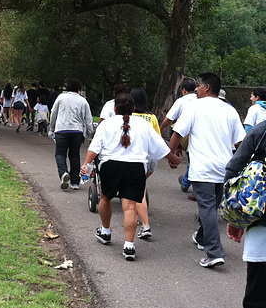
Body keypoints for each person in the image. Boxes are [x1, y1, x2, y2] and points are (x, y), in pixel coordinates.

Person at [81, 93, 180, 261]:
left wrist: (86, 163)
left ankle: (105, 232)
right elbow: (160, 147)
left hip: (110, 166)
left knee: (105, 198)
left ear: (114, 108)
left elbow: (95, 148)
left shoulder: (106, 125)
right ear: (133, 109)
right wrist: (174, 160)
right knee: (130, 207)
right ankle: (129, 246)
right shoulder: (144, 125)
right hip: (135, 168)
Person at [169, 72, 245, 268]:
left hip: (203, 168)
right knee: (211, 209)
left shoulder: (195, 107)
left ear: (207, 87)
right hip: (225, 169)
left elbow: (178, 133)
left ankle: (214, 252)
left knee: (208, 209)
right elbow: (241, 143)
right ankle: (202, 238)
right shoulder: (230, 110)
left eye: (198, 85)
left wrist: (171, 156)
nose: (196, 89)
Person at [225, 121, 266, 308]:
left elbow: (234, 169)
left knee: (258, 304)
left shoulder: (262, 131)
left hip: (262, 229)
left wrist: (235, 219)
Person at [49, 78, 94, 190]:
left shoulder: (61, 97)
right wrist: (90, 134)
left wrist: (52, 127)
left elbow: (53, 113)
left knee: (60, 153)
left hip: (62, 130)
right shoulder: (83, 101)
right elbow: (88, 120)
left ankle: (63, 173)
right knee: (74, 155)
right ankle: (75, 182)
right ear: (79, 89)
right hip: (77, 131)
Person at [130, 87, 160, 240]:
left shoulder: (128, 117)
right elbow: (157, 140)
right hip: (151, 160)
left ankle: (145, 224)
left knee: (138, 190)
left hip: (136, 157)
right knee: (138, 185)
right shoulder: (152, 118)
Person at [159, 77, 198, 195]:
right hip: (199, 133)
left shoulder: (182, 100)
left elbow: (168, 119)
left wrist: (160, 128)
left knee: (176, 129)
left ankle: (175, 157)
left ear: (184, 90)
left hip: (184, 135)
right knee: (194, 157)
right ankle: (186, 181)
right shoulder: (201, 100)